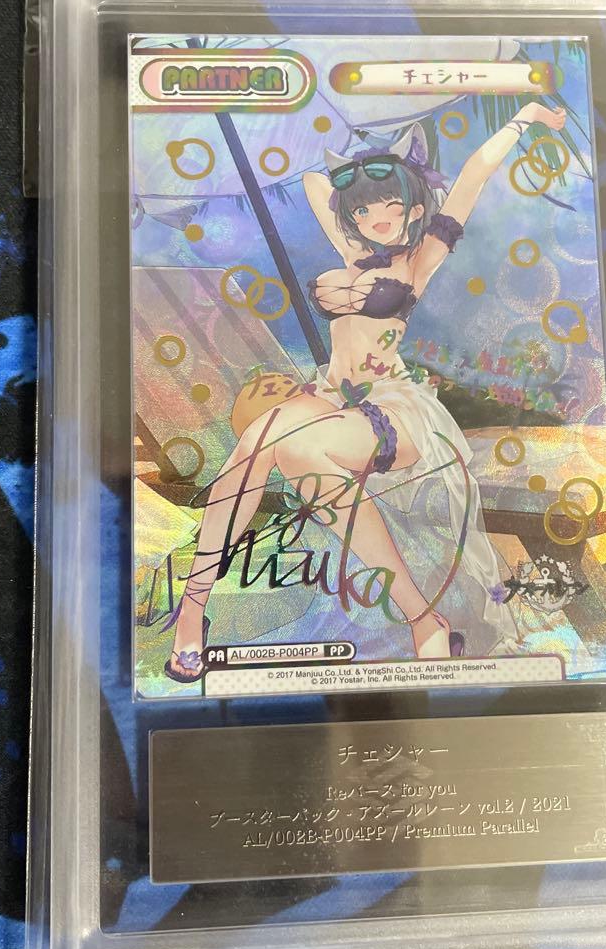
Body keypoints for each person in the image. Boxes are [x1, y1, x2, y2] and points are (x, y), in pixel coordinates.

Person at [166, 103, 567, 683]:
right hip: (332, 397)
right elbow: (313, 184)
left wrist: (523, 117)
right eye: (363, 208)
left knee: (271, 437)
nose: (377, 217)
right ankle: (418, 619)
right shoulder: (351, 252)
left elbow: (475, 173)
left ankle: (194, 611)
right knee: (275, 446)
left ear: (414, 207)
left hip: (394, 407)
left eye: (390, 204)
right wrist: (314, 139)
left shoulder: (421, 260)